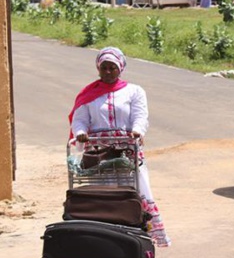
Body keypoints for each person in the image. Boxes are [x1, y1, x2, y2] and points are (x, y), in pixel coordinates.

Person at [69, 46, 170, 247]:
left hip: (127, 151)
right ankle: (102, 238)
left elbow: (141, 117)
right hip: (98, 153)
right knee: (102, 194)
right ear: (98, 68)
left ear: (120, 68)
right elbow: (79, 120)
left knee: (138, 190)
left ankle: (142, 237)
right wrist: (80, 133)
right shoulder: (88, 94)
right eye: (104, 67)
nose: (108, 72)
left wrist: (138, 131)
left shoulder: (134, 91)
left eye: (112, 68)